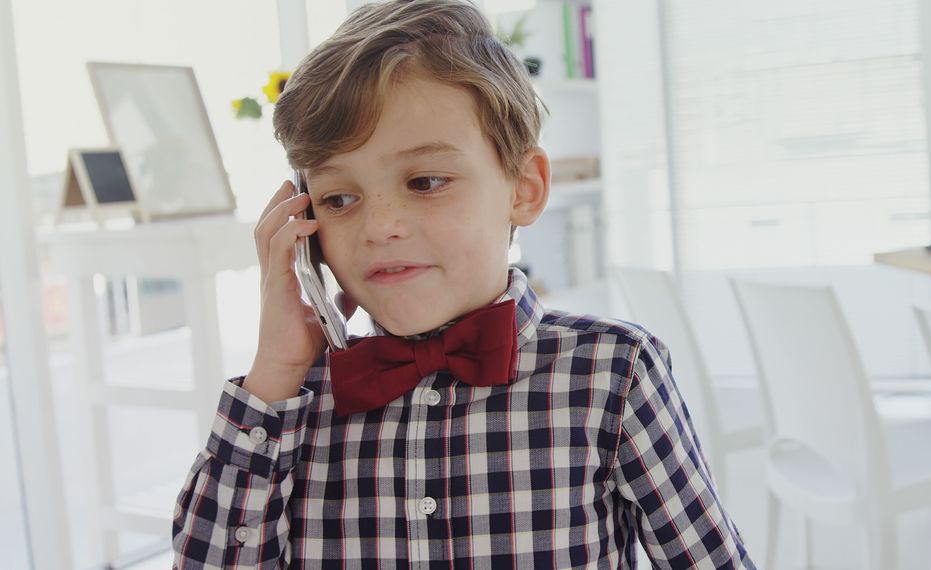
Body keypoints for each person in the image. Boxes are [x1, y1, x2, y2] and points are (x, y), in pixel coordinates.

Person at [171, 0, 754, 567]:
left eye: (425, 181)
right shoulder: (292, 405)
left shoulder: (614, 372)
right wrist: (274, 370)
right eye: (339, 198)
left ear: (523, 188)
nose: (379, 226)